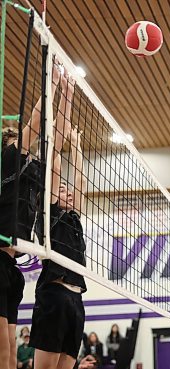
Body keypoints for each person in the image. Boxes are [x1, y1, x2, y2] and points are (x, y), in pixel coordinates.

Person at [0, 60, 62, 369]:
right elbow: (36, 124)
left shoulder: (28, 176)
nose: (25, 149)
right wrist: (52, 81)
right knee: (2, 349)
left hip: (12, 267)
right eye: (17, 141)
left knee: (11, 347)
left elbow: (53, 151)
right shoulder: (8, 160)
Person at [30, 77, 88, 369]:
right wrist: (65, 96)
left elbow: (78, 177)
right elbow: (54, 166)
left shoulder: (74, 215)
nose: (66, 190)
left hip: (76, 301)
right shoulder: (50, 212)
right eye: (60, 188)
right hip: (54, 294)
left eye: (67, 190)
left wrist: (76, 146)